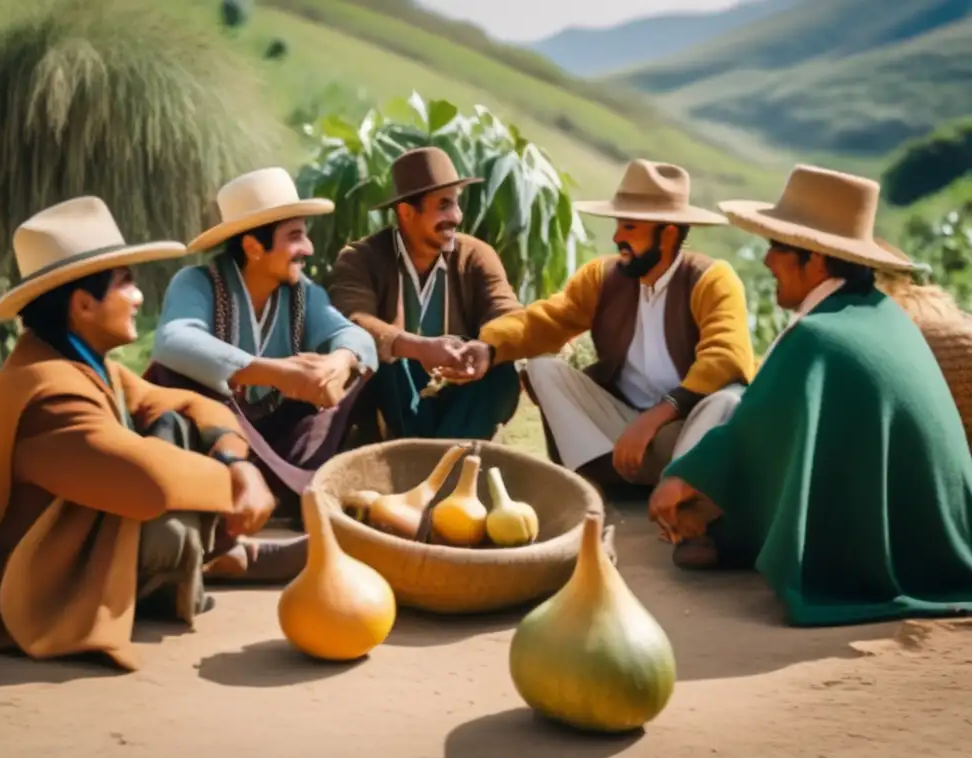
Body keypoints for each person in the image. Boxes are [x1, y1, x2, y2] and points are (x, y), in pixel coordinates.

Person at [0, 197, 304, 672]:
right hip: (15, 594)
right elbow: (148, 483)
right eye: (126, 282)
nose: (139, 296)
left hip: (59, 555)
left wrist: (235, 460)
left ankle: (210, 560)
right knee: (167, 507)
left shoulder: (82, 365)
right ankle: (212, 562)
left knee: (175, 423)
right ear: (82, 304)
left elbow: (191, 403)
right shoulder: (49, 393)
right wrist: (239, 483)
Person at [648, 164, 972, 626]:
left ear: (816, 260)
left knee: (706, 522)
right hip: (932, 532)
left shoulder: (820, 337)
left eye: (777, 248)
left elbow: (753, 434)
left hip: (897, 551)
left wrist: (681, 480)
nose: (766, 262)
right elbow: (791, 430)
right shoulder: (879, 314)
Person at [460, 159, 755, 490]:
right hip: (619, 428)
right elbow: (548, 320)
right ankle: (594, 485)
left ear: (668, 234)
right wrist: (489, 346)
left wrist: (659, 415)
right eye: (618, 225)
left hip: (684, 432)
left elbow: (726, 358)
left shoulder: (711, 279)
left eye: (629, 227)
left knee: (728, 401)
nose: (617, 237)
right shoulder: (603, 277)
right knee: (544, 369)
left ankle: (684, 500)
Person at [145, 168, 378, 521]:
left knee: (354, 375)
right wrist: (276, 373)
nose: (308, 249)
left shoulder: (303, 295)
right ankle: (251, 492)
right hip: (219, 445)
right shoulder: (196, 283)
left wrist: (339, 362)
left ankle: (295, 487)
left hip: (281, 440)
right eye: (295, 236)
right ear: (254, 247)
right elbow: (173, 342)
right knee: (175, 373)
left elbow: (358, 338)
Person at [328, 147, 523, 441]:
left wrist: (486, 351)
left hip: (461, 391)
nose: (456, 217)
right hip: (394, 395)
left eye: (457, 204)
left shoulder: (476, 255)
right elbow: (352, 319)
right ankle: (442, 456)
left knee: (502, 368)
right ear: (406, 212)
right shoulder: (361, 258)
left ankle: (438, 456)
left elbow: (507, 312)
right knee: (385, 361)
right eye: (443, 205)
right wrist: (418, 348)